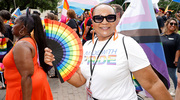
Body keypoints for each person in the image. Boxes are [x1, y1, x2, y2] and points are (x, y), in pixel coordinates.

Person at [44, 3, 172, 100]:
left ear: (116, 20)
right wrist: (57, 62)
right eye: (98, 18)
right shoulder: (87, 46)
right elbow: (79, 81)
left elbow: (153, 84)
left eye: (109, 17)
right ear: (92, 21)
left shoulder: (127, 44)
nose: (104, 22)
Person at [3, 13, 53, 100]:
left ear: (22, 27)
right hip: (27, 86)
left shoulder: (22, 45)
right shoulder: (26, 40)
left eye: (15, 24)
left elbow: (26, 76)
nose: (12, 26)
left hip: (24, 89)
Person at [160, 18, 180, 96]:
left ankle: (176, 90)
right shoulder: (161, 35)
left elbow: (178, 49)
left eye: (175, 24)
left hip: (171, 60)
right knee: (162, 77)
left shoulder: (177, 36)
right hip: (161, 61)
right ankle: (163, 91)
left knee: (173, 77)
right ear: (167, 24)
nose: (173, 25)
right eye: (171, 23)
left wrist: (176, 60)